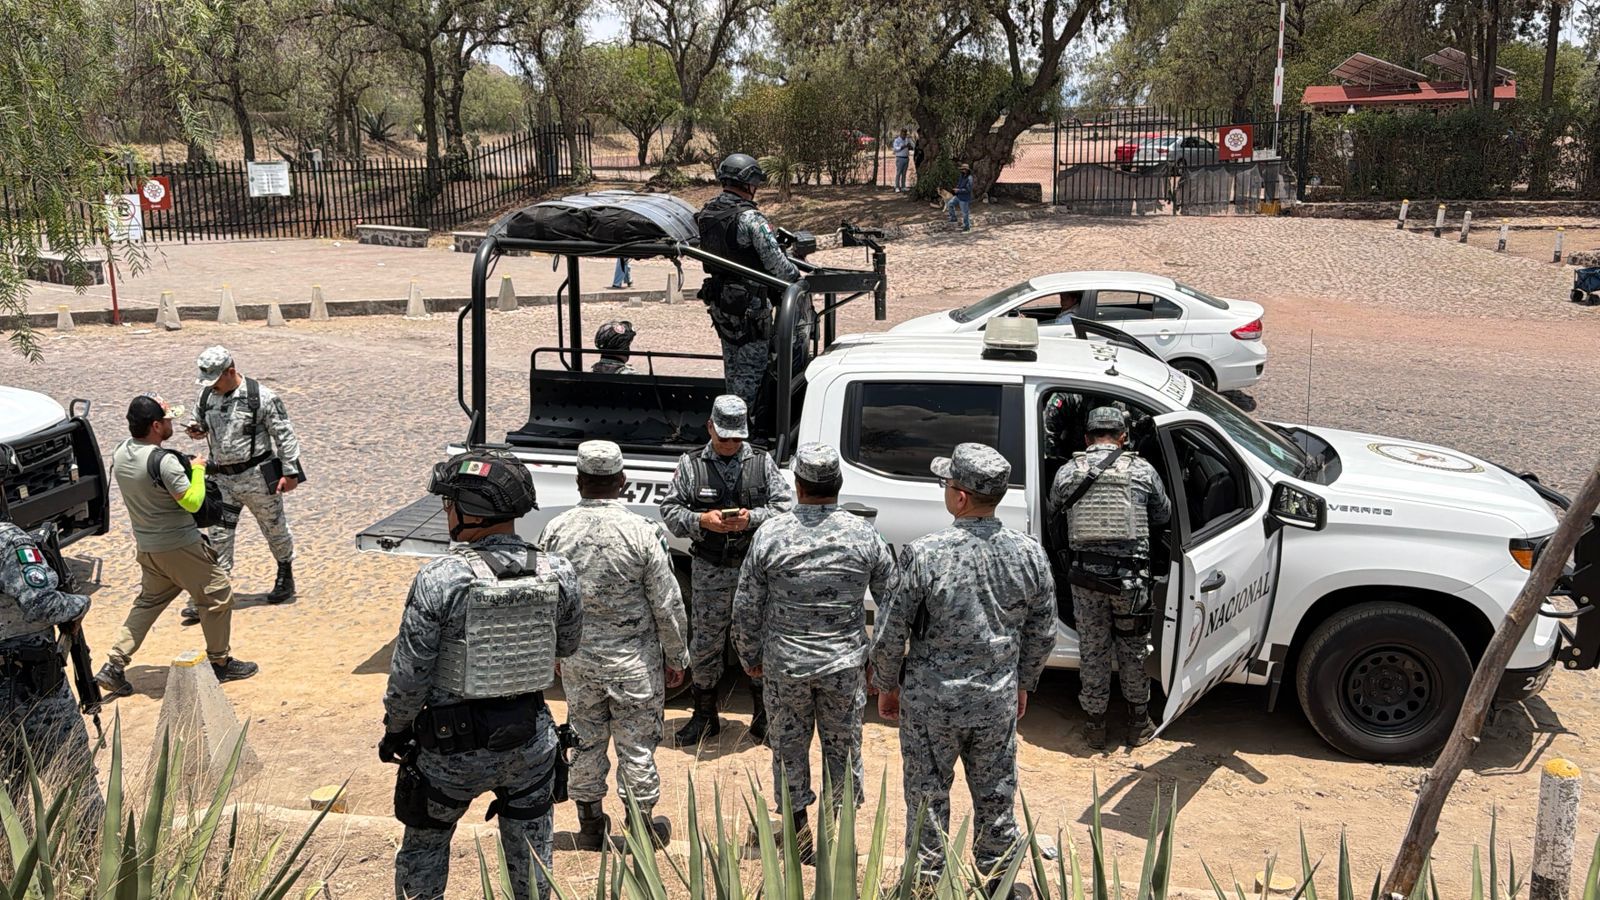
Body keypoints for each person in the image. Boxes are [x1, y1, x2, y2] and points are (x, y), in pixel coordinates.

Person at [382, 450, 582, 900]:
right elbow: (566, 647)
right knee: (532, 861)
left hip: (449, 750)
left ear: (469, 511)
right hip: (530, 741)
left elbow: (409, 675)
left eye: (449, 502)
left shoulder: (441, 579)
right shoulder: (560, 572)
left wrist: (395, 732)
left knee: (425, 848)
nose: (445, 511)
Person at [870, 443, 1055, 892]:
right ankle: (999, 883)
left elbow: (892, 631)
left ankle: (925, 885)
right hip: (995, 701)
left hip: (933, 704)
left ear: (960, 496)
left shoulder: (924, 554)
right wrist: (1023, 683)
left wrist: (886, 685)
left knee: (927, 799)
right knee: (996, 796)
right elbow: (1043, 630)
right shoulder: (1029, 553)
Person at [732, 443, 896, 856]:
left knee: (788, 748)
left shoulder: (770, 534)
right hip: (844, 667)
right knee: (843, 749)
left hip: (786, 665)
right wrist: (883, 664)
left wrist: (750, 657)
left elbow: (746, 604)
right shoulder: (865, 535)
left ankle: (797, 835)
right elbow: (894, 603)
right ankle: (838, 841)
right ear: (838, 484)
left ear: (797, 486)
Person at [537, 440, 688, 850]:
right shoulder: (644, 531)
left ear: (579, 481)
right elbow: (667, 603)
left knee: (584, 738)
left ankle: (589, 827)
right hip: (633, 663)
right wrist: (676, 656)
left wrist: (551, 652)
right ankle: (641, 829)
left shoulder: (555, 531)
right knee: (637, 743)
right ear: (622, 481)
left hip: (579, 662)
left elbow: (544, 599)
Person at [96, 394, 257, 698]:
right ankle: (220, 662)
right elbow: (193, 501)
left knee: (148, 602)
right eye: (168, 420)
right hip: (180, 546)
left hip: (148, 547)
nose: (172, 423)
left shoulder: (121, 452)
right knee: (218, 594)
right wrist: (197, 468)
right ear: (156, 425)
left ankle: (114, 665)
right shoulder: (164, 461)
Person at [658, 395, 793, 745]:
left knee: (757, 640)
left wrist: (753, 519)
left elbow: (783, 508)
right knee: (705, 643)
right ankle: (705, 716)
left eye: (737, 438)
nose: (732, 444)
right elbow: (670, 511)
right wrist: (701, 520)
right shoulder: (690, 466)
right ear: (710, 428)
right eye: (725, 437)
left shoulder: (762, 464)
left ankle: (763, 717)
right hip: (710, 568)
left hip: (754, 572)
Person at [1047, 407, 1172, 749]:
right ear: (1123, 437)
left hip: (1085, 579)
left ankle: (1095, 725)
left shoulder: (1067, 473)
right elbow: (1163, 514)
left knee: (1094, 650)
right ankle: (1138, 723)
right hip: (1131, 583)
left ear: (1086, 438)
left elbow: (1053, 511)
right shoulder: (1143, 471)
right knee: (1132, 650)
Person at [185, 346, 303, 613]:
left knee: (274, 528)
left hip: (257, 478)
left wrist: (290, 472)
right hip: (222, 480)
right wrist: (197, 430)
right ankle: (216, 592)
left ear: (230, 372)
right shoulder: (207, 395)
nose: (212, 386)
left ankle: (285, 574)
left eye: (216, 380)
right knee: (218, 536)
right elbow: (199, 420)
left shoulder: (261, 398)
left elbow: (284, 435)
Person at [0, 515, 101, 815]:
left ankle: (16, 861)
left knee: (8, 795)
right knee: (75, 781)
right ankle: (94, 857)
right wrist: (80, 604)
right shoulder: (8, 539)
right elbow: (41, 604)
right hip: (28, 688)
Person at [693, 153, 804, 412]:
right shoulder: (750, 218)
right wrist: (797, 277)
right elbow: (779, 267)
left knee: (733, 370)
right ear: (748, 184)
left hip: (723, 303)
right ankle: (747, 430)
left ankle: (731, 423)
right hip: (750, 308)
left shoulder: (707, 212)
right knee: (753, 375)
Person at [946, 163, 973, 232]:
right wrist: (956, 189)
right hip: (958, 196)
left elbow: (968, 190)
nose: (962, 171)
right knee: (950, 204)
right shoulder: (962, 176)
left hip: (964, 198)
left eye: (963, 169)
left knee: (965, 213)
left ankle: (967, 227)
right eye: (962, 169)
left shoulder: (969, 178)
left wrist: (959, 190)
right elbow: (959, 184)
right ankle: (953, 217)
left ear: (967, 170)